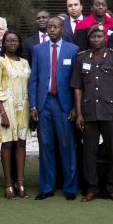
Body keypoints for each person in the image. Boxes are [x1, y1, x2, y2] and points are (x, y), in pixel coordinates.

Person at [72, 25, 113, 203]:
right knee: (89, 153)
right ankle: (92, 188)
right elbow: (77, 87)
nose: (96, 39)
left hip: (111, 111)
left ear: (105, 38)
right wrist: (79, 113)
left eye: (99, 36)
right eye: (93, 37)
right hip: (89, 112)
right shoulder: (81, 58)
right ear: (89, 39)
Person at [30, 16, 79, 200]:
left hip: (64, 104)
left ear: (62, 28)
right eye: (49, 27)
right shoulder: (38, 49)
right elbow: (34, 79)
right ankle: (47, 187)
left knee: (67, 146)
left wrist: (75, 106)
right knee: (46, 146)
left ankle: (70, 188)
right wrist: (33, 104)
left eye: (55, 26)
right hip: (44, 104)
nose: (51, 29)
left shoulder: (73, 50)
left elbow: (76, 82)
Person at [0, 30, 31, 200]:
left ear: (19, 43)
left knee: (21, 143)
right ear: (3, 43)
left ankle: (20, 182)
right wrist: (2, 112)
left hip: (23, 107)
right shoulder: (0, 61)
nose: (12, 43)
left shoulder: (25, 62)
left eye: (15, 40)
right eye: (8, 40)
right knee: (7, 144)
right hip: (6, 107)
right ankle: (9, 184)